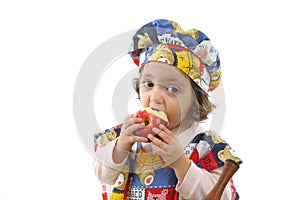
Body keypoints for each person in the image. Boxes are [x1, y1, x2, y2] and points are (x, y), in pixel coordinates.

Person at [93, 19, 242, 200]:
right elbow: (104, 175)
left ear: (196, 101)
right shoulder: (127, 134)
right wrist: (121, 147)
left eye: (172, 89)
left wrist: (181, 163)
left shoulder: (206, 146)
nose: (155, 96)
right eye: (148, 84)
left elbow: (222, 196)